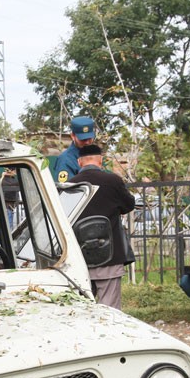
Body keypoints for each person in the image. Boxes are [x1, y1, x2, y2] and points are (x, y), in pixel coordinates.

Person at [71, 143, 135, 309]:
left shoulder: (71, 185)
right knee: (110, 309)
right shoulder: (113, 181)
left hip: (80, 258)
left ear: (79, 162)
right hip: (110, 255)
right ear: (101, 161)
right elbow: (129, 205)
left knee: (82, 308)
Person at [52, 116, 96, 183]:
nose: (87, 142)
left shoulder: (94, 155)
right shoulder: (65, 160)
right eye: (83, 139)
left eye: (89, 138)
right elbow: (66, 188)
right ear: (73, 136)